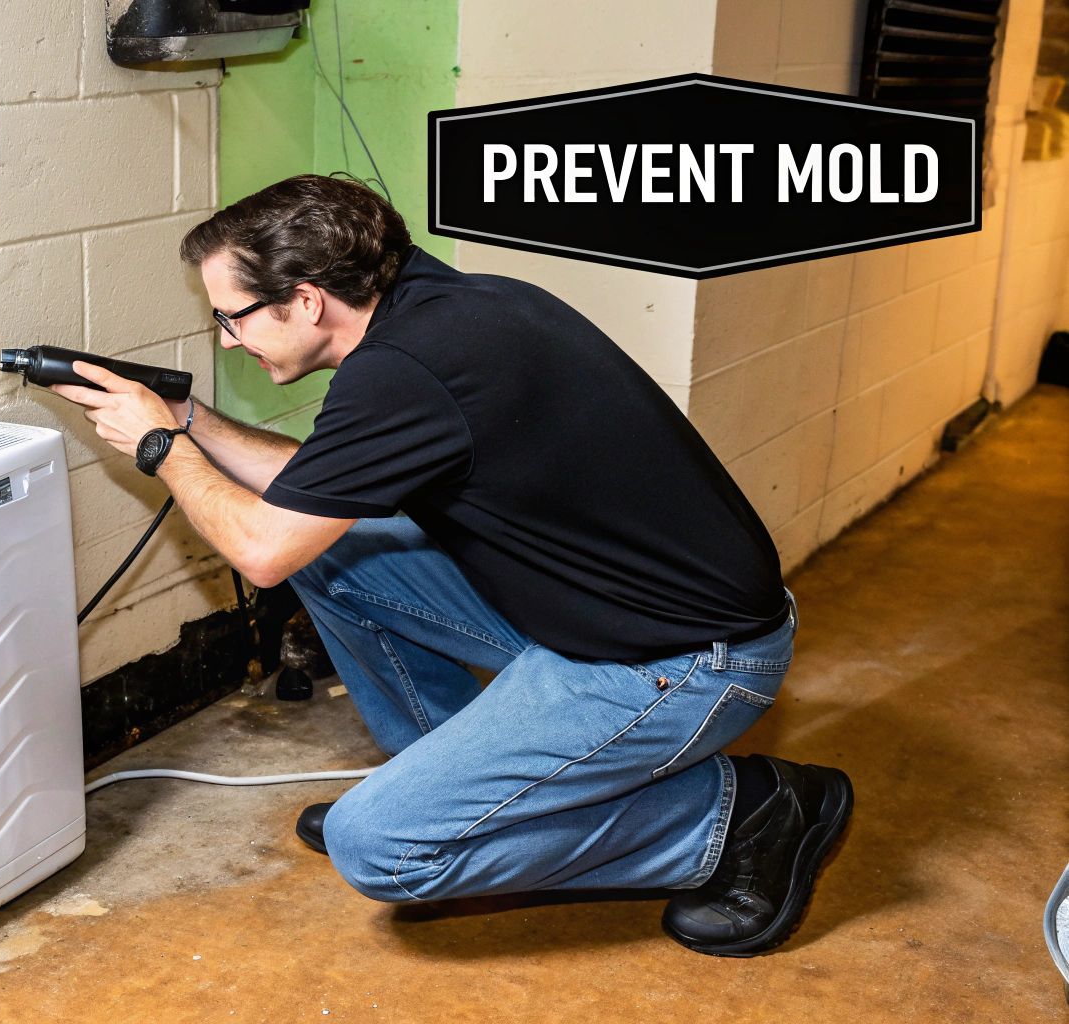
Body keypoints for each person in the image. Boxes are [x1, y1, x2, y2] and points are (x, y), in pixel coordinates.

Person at [48, 173, 853, 957]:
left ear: (305, 300)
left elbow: (261, 549)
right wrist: (189, 416)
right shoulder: (446, 308)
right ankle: (447, 785)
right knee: (342, 559)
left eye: (234, 317)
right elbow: (312, 496)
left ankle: (743, 813)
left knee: (384, 851)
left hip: (681, 663)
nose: (228, 338)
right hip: (594, 611)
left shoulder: (404, 373)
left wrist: (160, 448)